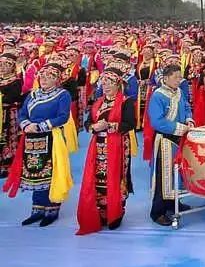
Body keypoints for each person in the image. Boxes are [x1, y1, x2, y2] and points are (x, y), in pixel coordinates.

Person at [3, 60, 73, 227]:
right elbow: (22, 113)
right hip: (31, 138)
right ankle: (37, 209)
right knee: (35, 172)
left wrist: (41, 126)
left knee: (51, 171)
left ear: (57, 80)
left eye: (49, 77)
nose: (44, 80)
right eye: (42, 76)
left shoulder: (62, 95)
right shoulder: (33, 94)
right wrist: (27, 124)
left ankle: (52, 209)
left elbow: (63, 116)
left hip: (51, 137)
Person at [76, 62, 135, 234]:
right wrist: (92, 127)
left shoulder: (126, 102)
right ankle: (102, 212)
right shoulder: (98, 102)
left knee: (116, 176)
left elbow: (129, 124)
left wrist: (108, 125)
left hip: (118, 146)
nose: (106, 86)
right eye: (104, 82)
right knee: (99, 177)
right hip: (98, 145)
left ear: (118, 85)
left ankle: (116, 212)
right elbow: (88, 121)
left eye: (110, 83)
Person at [147, 64, 194, 226]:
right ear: (166, 78)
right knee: (162, 176)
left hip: (179, 139)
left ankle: (173, 203)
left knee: (176, 173)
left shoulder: (179, 92)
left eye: (180, 77)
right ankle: (157, 212)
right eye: (176, 77)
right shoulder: (158, 96)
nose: (179, 80)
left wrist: (189, 119)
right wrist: (181, 128)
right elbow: (157, 122)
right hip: (165, 141)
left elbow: (187, 107)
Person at [0, 52, 24, 178]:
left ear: (13, 66)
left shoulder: (16, 81)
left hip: (8, 114)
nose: (3, 67)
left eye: (6, 65)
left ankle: (7, 165)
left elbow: (12, 97)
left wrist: (2, 98)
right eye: (1, 64)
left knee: (8, 137)